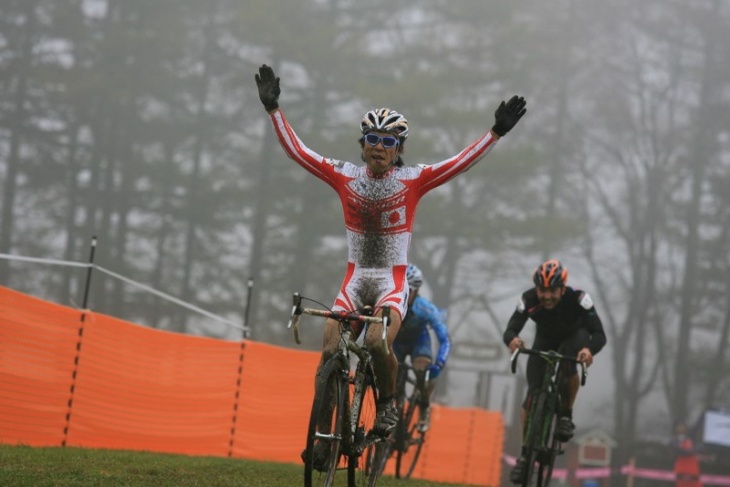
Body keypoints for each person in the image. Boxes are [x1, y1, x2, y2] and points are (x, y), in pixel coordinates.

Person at [255, 64, 526, 462]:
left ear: (398, 148)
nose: (378, 146)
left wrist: (496, 133)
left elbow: (460, 162)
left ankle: (386, 406)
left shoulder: (413, 179)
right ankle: (323, 435)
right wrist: (274, 109)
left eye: (387, 140)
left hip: (390, 282)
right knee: (330, 349)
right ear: (362, 144)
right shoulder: (345, 175)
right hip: (354, 280)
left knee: (379, 341)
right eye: (371, 139)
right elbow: (299, 152)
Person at [503, 259, 606, 485]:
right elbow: (511, 329)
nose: (546, 296)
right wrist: (514, 340)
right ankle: (524, 455)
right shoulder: (528, 299)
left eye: (552, 291)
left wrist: (589, 350)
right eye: (542, 290)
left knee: (569, 359)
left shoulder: (579, 300)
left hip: (574, 337)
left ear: (562, 288)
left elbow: (599, 334)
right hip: (545, 339)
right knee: (531, 397)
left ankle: (566, 416)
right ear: (536, 288)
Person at [392, 263, 451, 432]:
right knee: (389, 372)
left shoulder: (425, 308)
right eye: (399, 289)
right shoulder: (390, 302)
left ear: (416, 291)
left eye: (407, 291)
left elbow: (445, 340)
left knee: (423, 372)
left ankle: (424, 407)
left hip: (419, 341)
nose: (402, 295)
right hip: (396, 341)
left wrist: (439, 364)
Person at [671, 420, 703, 487]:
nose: (681, 428)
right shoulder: (674, 440)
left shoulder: (689, 437)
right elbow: (681, 452)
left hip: (693, 469)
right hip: (682, 470)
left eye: (683, 426)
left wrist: (705, 412)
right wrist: (695, 450)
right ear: (675, 428)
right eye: (679, 426)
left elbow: (697, 426)